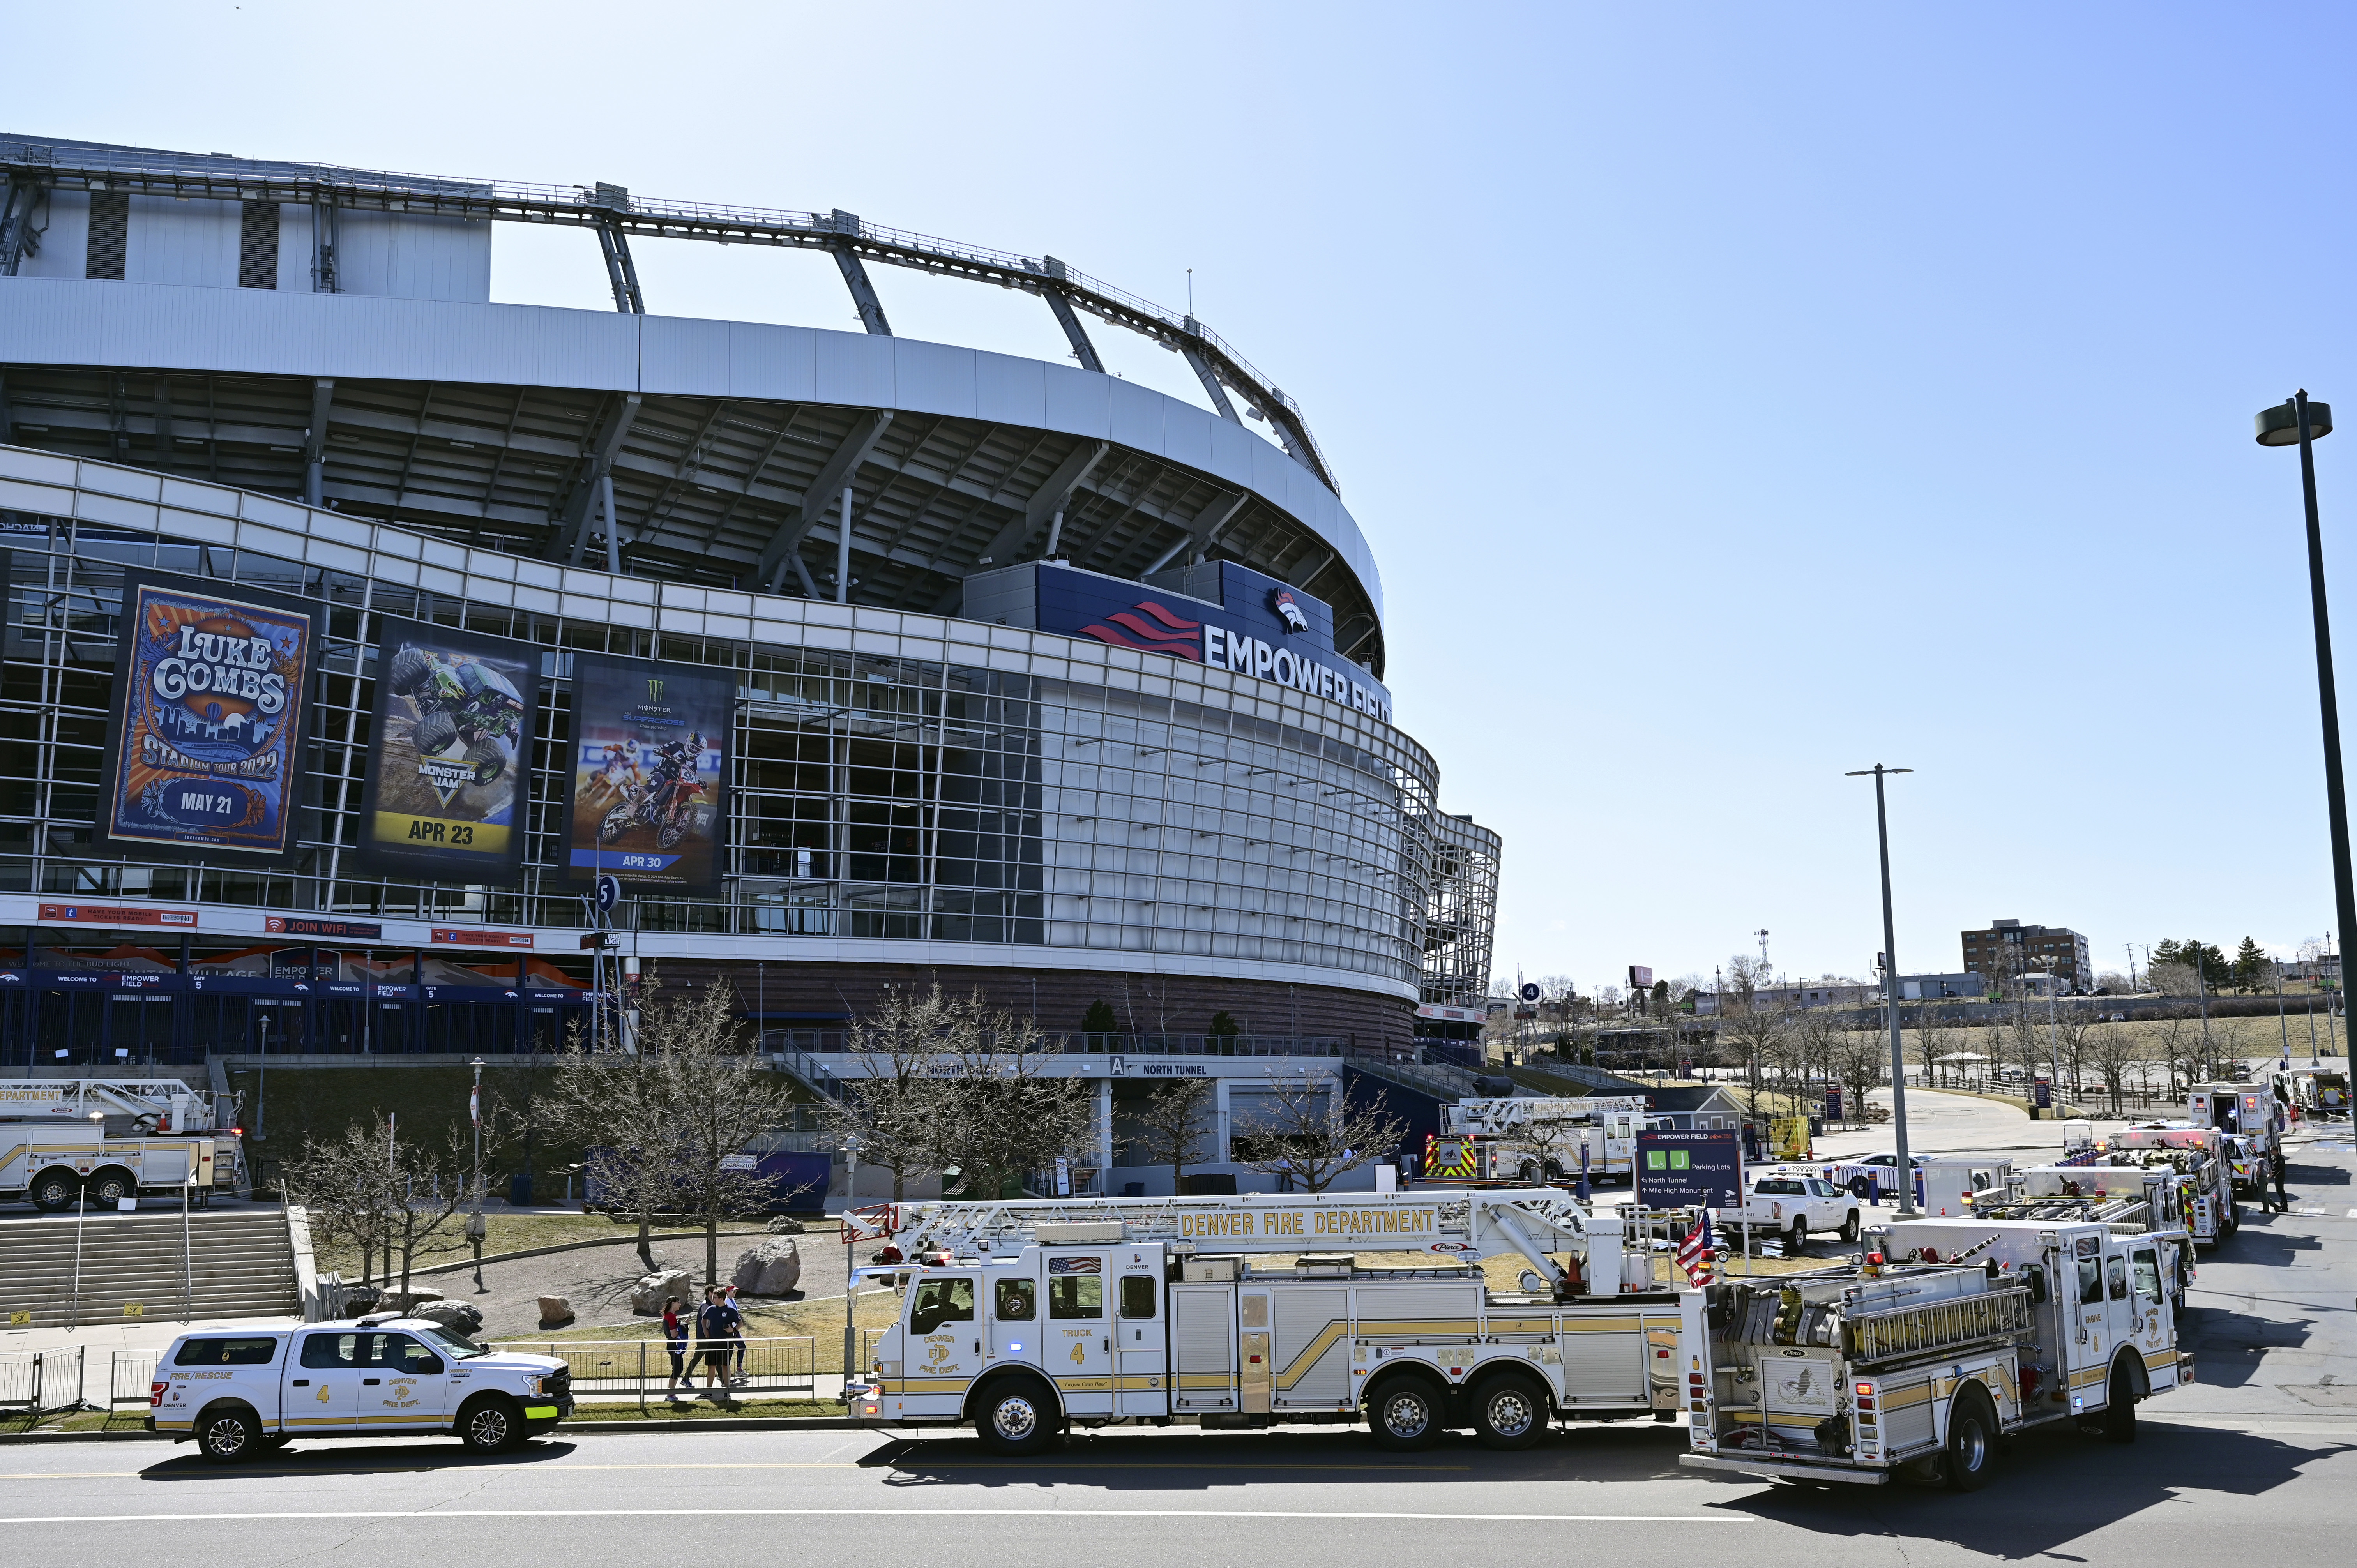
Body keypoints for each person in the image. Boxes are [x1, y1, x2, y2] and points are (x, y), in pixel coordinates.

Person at [696, 1287, 735, 1394]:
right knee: (711, 1366)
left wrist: (733, 1330)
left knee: (726, 1366)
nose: (713, 1300)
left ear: (722, 1299)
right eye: (713, 1297)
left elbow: (740, 1322)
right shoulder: (711, 1309)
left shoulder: (730, 1310)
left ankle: (727, 1391)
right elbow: (704, 1320)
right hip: (713, 1343)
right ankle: (708, 1391)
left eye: (715, 1298)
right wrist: (705, 1329)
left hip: (727, 1343)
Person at [661, 1296, 689, 1396]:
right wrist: (683, 1328)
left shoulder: (667, 1316)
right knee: (677, 1369)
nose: (680, 1304)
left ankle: (672, 1393)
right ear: (673, 1303)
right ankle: (670, 1394)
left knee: (678, 1369)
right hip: (675, 1347)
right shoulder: (671, 1317)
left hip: (672, 1346)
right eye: (678, 1302)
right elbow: (673, 1334)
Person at [723, 1284, 749, 1384]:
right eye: (733, 1291)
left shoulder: (732, 1300)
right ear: (728, 1292)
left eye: (735, 1291)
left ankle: (739, 1369)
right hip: (731, 1330)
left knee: (741, 1347)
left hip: (735, 1329)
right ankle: (724, 1374)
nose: (735, 1293)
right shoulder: (726, 1302)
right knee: (728, 1351)